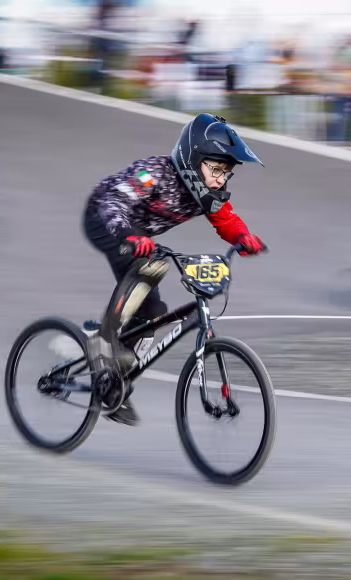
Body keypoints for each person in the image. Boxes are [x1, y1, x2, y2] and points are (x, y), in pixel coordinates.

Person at [82, 113, 267, 426]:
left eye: (227, 172)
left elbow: (226, 219)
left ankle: (114, 380)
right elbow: (114, 202)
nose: (222, 178)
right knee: (151, 268)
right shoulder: (155, 173)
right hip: (107, 221)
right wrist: (131, 234)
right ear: (193, 160)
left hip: (139, 235)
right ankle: (101, 341)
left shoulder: (206, 193)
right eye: (216, 169)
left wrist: (242, 237)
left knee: (153, 311)